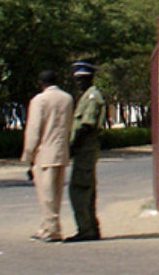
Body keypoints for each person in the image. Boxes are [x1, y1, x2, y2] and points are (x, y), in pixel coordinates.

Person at [21, 70, 74, 242]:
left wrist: (28, 154)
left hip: (44, 153)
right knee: (55, 193)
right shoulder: (67, 99)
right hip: (61, 151)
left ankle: (52, 230)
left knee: (46, 195)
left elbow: (34, 130)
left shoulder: (39, 100)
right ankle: (45, 227)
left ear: (40, 83)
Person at [65, 61, 106, 242]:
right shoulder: (87, 96)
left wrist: (73, 147)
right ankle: (90, 228)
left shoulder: (91, 97)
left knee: (79, 190)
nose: (79, 83)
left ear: (90, 78)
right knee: (86, 189)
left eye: (82, 79)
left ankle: (86, 229)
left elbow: (86, 126)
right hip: (85, 149)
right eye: (77, 79)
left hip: (85, 149)